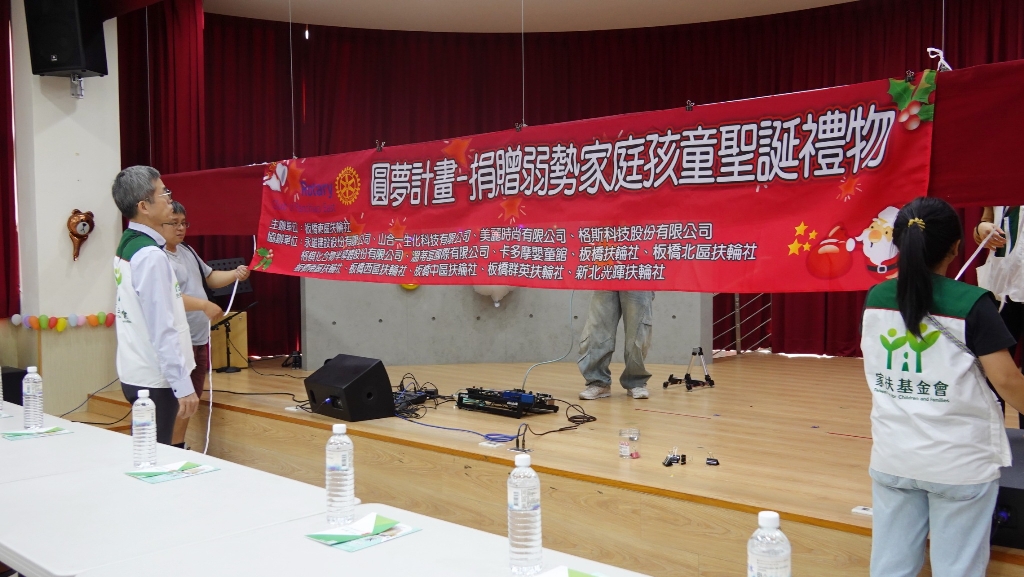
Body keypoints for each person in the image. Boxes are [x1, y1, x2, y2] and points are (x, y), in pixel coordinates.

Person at [861, 197, 1024, 577]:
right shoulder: (973, 304)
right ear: (956, 247)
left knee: (890, 568)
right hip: (958, 464)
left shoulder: (876, 298)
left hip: (893, 457)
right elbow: (1007, 381)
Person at [111, 166, 198, 446]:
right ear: (144, 206)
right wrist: (182, 384)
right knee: (154, 456)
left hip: (136, 369)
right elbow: (162, 327)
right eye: (163, 193)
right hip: (156, 377)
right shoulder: (150, 256)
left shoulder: (128, 243)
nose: (170, 198)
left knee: (145, 449)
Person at [160, 201, 249, 448]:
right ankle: (167, 447)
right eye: (173, 223)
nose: (180, 228)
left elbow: (210, 277)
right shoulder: (157, 257)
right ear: (159, 224)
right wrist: (203, 305)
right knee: (176, 399)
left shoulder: (187, 250)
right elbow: (168, 297)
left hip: (199, 338)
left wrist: (235, 274)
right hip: (178, 341)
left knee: (192, 398)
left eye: (183, 223)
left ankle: (178, 445)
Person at [975, 206, 1024, 426]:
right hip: (1001, 288)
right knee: (993, 371)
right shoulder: (1001, 188)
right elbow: (984, 222)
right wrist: (982, 229)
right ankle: (993, 434)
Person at [577, 291, 654, 400]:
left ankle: (636, 382)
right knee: (598, 328)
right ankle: (598, 382)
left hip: (638, 281)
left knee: (638, 330)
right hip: (606, 280)